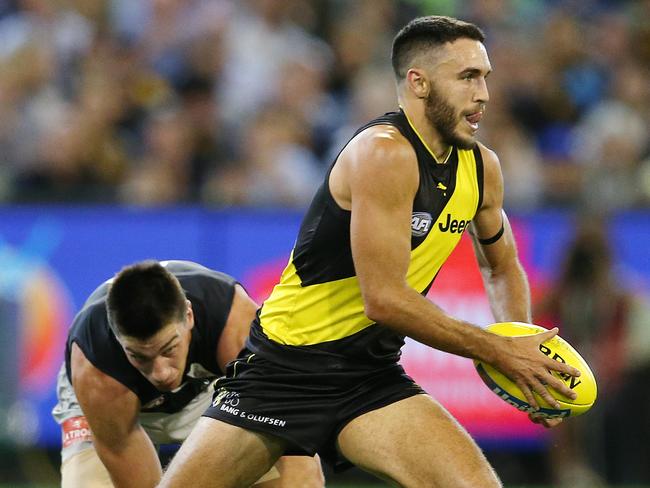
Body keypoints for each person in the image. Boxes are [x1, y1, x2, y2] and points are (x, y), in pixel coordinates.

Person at [159, 16, 582, 488]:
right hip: (280, 372)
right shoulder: (384, 154)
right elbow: (384, 299)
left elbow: (502, 267)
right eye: (467, 77)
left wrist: (521, 354)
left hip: (368, 377)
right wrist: (499, 351)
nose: (483, 94)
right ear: (419, 83)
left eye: (485, 77)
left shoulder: (482, 168)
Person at [52, 260, 324, 488]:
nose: (161, 374)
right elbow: (122, 450)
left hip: (212, 391)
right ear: (118, 340)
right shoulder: (95, 365)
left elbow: (285, 430)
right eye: (139, 356)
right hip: (114, 410)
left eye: (169, 348)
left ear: (189, 316)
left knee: (297, 482)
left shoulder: (234, 323)